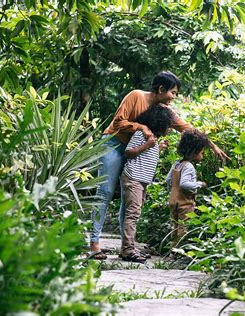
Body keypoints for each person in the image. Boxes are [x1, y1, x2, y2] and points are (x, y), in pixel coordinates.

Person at [89, 71, 229, 260]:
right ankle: (94, 244)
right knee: (105, 191)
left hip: (137, 149)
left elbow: (187, 128)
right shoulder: (136, 96)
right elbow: (119, 121)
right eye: (173, 92)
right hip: (114, 144)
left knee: (129, 199)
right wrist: (142, 127)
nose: (174, 97)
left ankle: (127, 247)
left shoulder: (165, 111)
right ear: (161, 89)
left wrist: (212, 145)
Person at [119, 104, 173, 263]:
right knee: (133, 214)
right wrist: (148, 145)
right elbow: (128, 153)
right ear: (159, 123)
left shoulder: (153, 139)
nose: (169, 129)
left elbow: (146, 156)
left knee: (135, 213)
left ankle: (128, 248)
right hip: (133, 178)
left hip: (141, 180)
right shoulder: (141, 135)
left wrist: (158, 148)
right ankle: (128, 249)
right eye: (168, 126)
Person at [166, 130, 209, 246]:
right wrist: (199, 184)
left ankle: (172, 249)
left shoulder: (177, 164)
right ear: (194, 152)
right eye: (202, 153)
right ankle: (180, 249)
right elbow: (184, 184)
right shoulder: (189, 166)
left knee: (174, 225)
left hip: (173, 199)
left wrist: (172, 191)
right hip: (184, 202)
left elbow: (168, 180)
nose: (202, 155)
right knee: (183, 226)